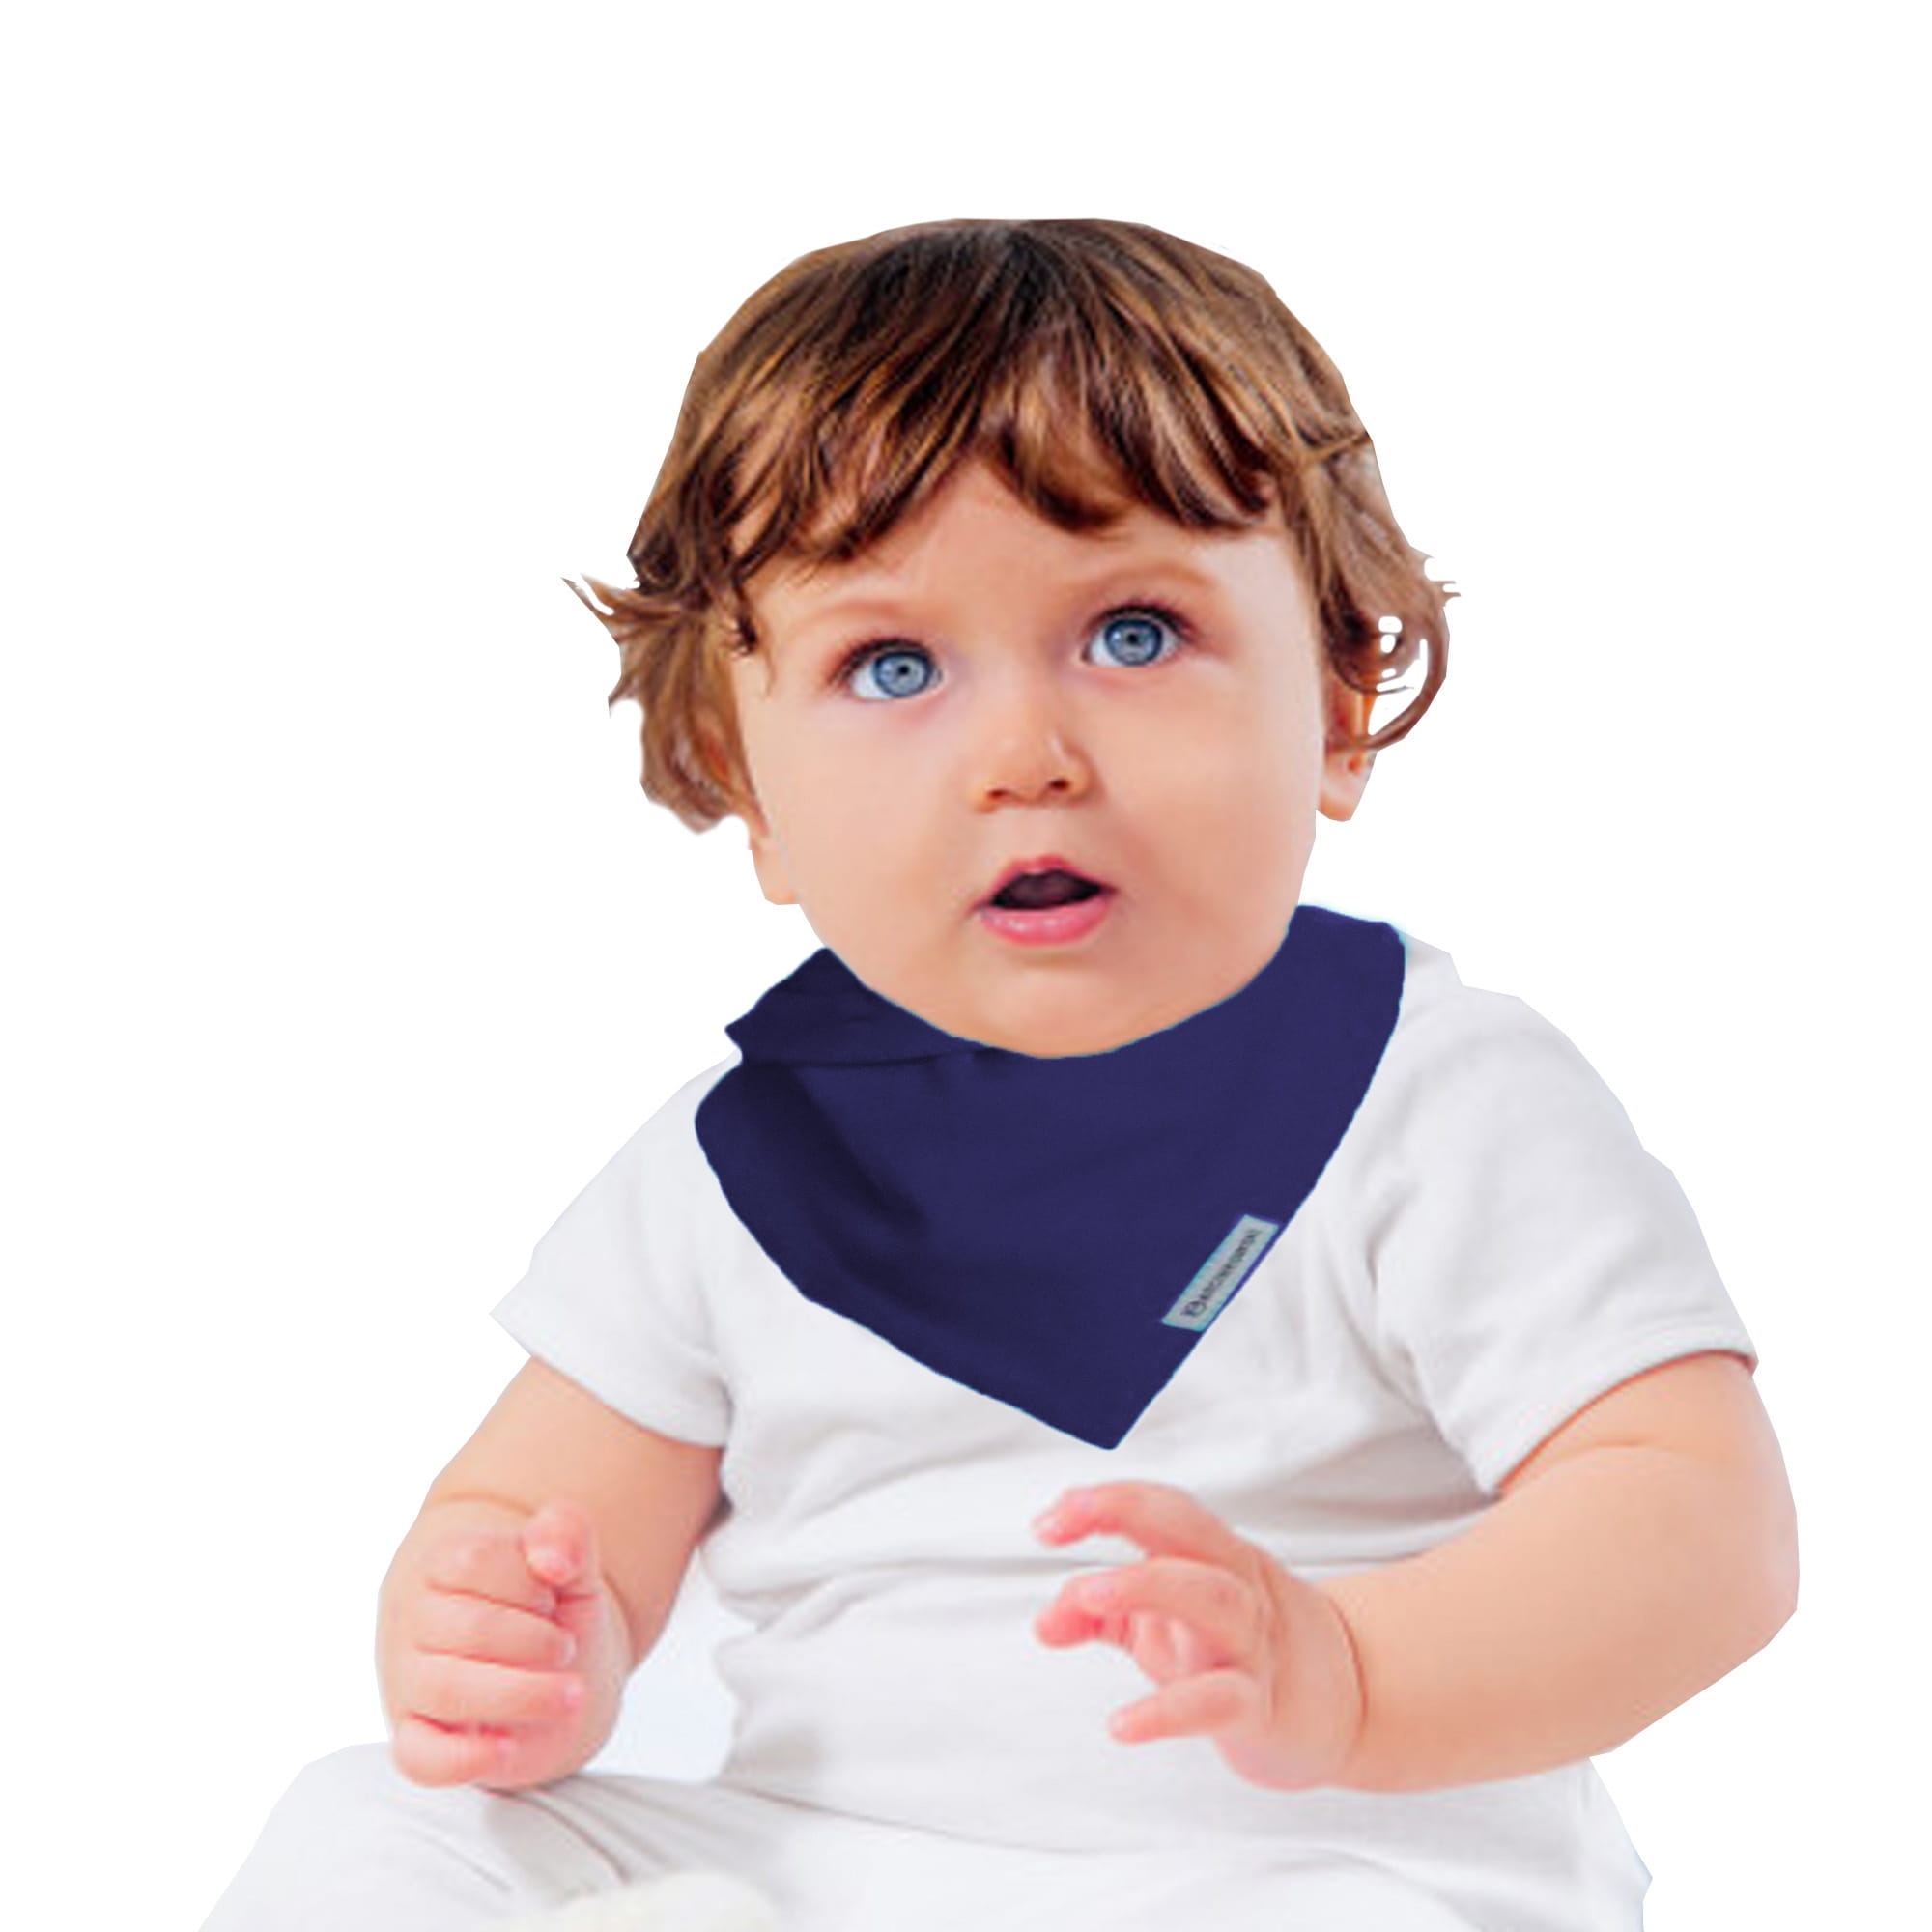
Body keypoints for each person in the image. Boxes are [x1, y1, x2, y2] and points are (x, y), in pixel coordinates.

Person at [204, 218, 1798, 1932]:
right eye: (892, 668)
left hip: (1314, 1861)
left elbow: (1702, 1526)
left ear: (1340, 697)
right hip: (820, 1863)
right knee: (376, 1820)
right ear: (747, 789)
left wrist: (1351, 1666)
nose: (1024, 757)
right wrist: (514, 1643)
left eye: (1134, 634)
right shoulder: (741, 1163)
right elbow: (532, 1507)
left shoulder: (1437, 1102)